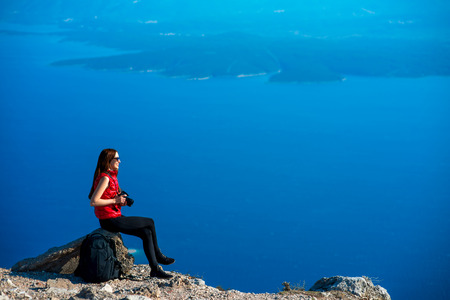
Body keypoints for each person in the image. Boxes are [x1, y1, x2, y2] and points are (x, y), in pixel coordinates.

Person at [88, 148, 175, 279]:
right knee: (150, 222)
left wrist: (121, 199)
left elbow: (108, 196)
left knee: (146, 233)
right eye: (117, 159)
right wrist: (115, 200)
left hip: (113, 217)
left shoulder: (111, 176)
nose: (120, 161)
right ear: (108, 161)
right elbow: (94, 201)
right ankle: (159, 255)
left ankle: (155, 269)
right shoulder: (105, 178)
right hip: (109, 220)